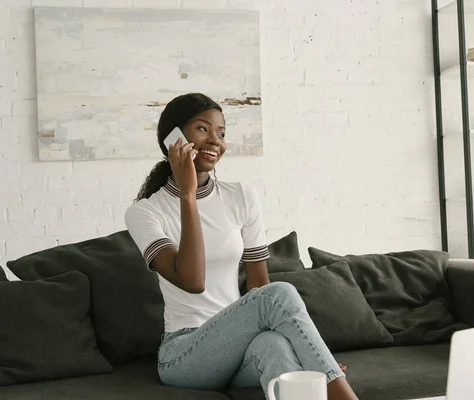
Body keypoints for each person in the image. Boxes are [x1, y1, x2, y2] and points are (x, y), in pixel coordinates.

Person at [125, 93, 359, 400]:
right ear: (174, 139)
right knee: (280, 293)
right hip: (185, 353)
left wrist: (310, 356)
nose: (215, 141)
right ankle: (342, 393)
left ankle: (322, 378)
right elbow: (192, 281)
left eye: (221, 133)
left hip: (240, 344)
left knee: (274, 346)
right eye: (202, 129)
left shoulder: (241, 196)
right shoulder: (145, 212)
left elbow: (258, 285)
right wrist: (188, 194)